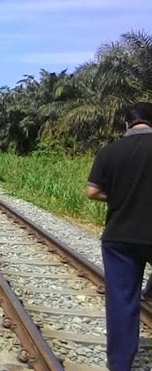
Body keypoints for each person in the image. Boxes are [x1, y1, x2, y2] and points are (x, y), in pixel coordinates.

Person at [85, 102, 152, 371]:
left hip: (120, 236)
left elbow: (92, 191)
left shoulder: (110, 152)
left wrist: (122, 198)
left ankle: (120, 365)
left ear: (127, 124)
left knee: (122, 301)